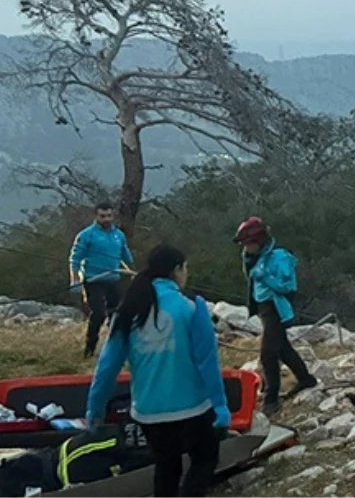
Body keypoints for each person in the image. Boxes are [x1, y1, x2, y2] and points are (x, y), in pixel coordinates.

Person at [84, 245, 229, 498]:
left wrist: (94, 410)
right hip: (193, 407)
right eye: (185, 269)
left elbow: (107, 368)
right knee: (204, 460)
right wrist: (220, 406)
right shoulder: (192, 307)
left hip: (148, 412)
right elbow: (207, 361)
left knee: (166, 467)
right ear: (176, 271)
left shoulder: (128, 310)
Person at [234, 217, 317, 415]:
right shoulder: (253, 258)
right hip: (264, 307)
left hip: (275, 308)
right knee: (283, 348)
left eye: (249, 243)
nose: (247, 247)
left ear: (260, 241)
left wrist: (266, 277)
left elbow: (287, 286)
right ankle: (305, 379)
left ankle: (271, 399)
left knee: (268, 353)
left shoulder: (279, 257)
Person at [69, 201, 135, 357]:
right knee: (98, 314)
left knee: (118, 315)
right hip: (94, 280)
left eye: (109, 216)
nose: (106, 219)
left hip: (114, 279)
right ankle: (89, 348)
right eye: (102, 216)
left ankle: (117, 349)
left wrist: (132, 272)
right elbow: (75, 258)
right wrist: (74, 279)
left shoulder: (119, 235)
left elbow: (125, 255)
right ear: (96, 216)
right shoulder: (86, 235)